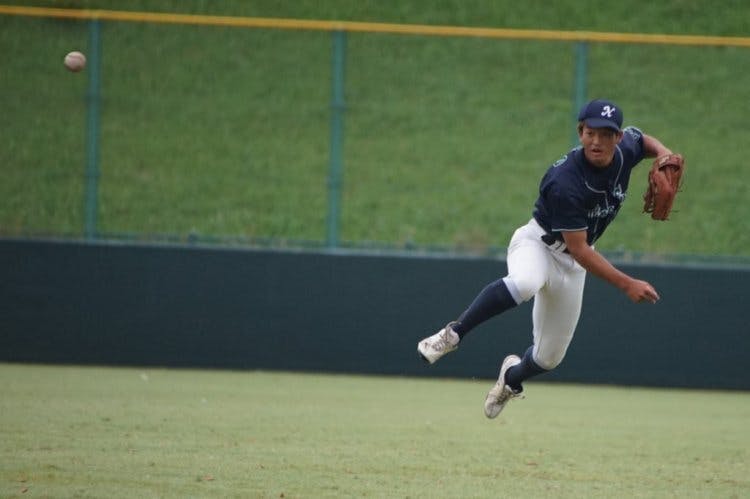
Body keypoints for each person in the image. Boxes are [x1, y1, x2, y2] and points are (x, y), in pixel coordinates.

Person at [417, 99, 678, 419]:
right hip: (538, 245)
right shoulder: (565, 181)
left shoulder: (625, 151)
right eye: (591, 133)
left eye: (606, 134)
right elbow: (579, 249)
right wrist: (627, 284)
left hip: (574, 264)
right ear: (580, 133)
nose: (597, 141)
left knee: (549, 357)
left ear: (618, 138)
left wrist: (664, 154)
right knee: (525, 283)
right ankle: (453, 334)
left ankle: (510, 379)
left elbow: (644, 140)